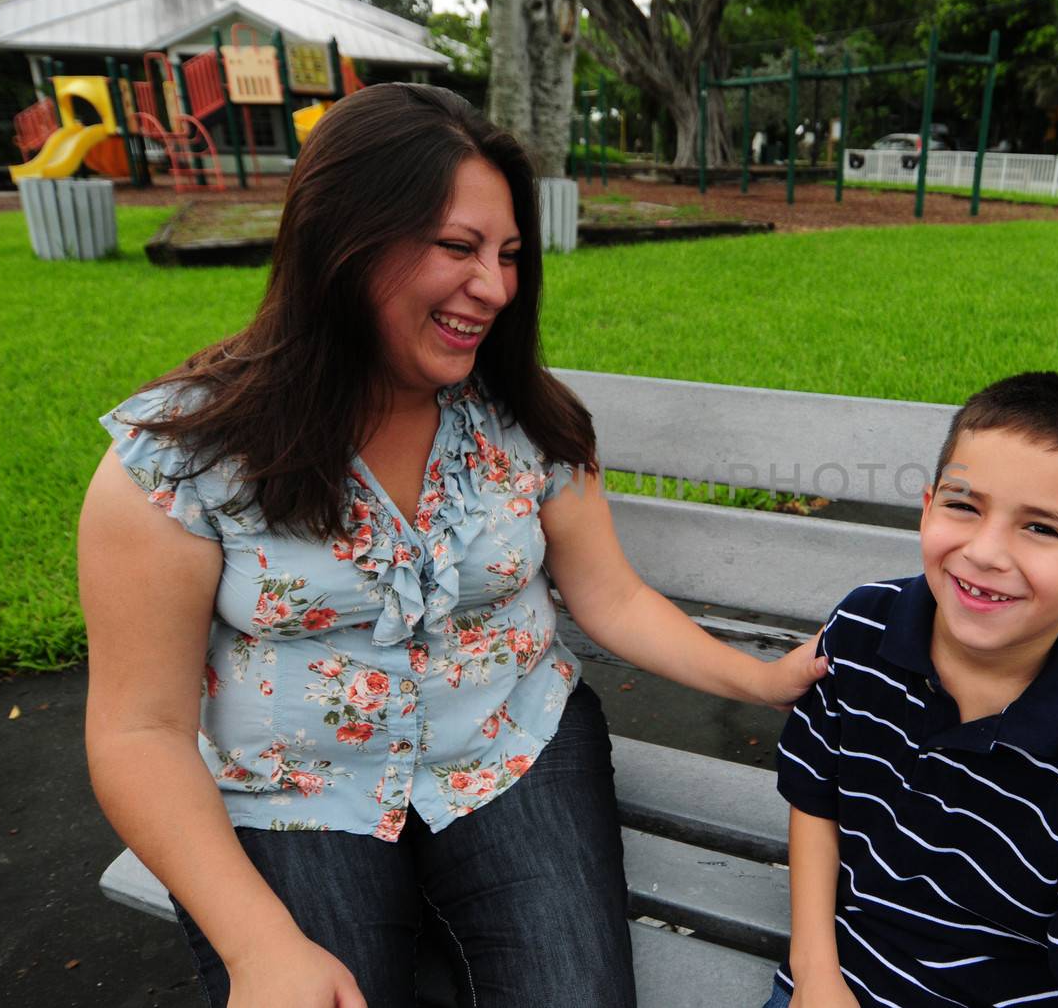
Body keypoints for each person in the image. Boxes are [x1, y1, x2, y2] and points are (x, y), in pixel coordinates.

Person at [78, 83, 824, 1008]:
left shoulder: (525, 423)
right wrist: (260, 946)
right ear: (342, 241)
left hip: (512, 749)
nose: (497, 287)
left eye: (509, 254)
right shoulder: (179, 462)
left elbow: (612, 597)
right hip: (294, 789)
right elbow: (136, 730)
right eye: (459, 247)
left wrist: (760, 678)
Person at [767, 372, 1058, 1008]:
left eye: (1040, 528)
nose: (985, 551)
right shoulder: (864, 628)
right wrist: (815, 975)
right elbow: (816, 801)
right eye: (963, 506)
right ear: (928, 507)